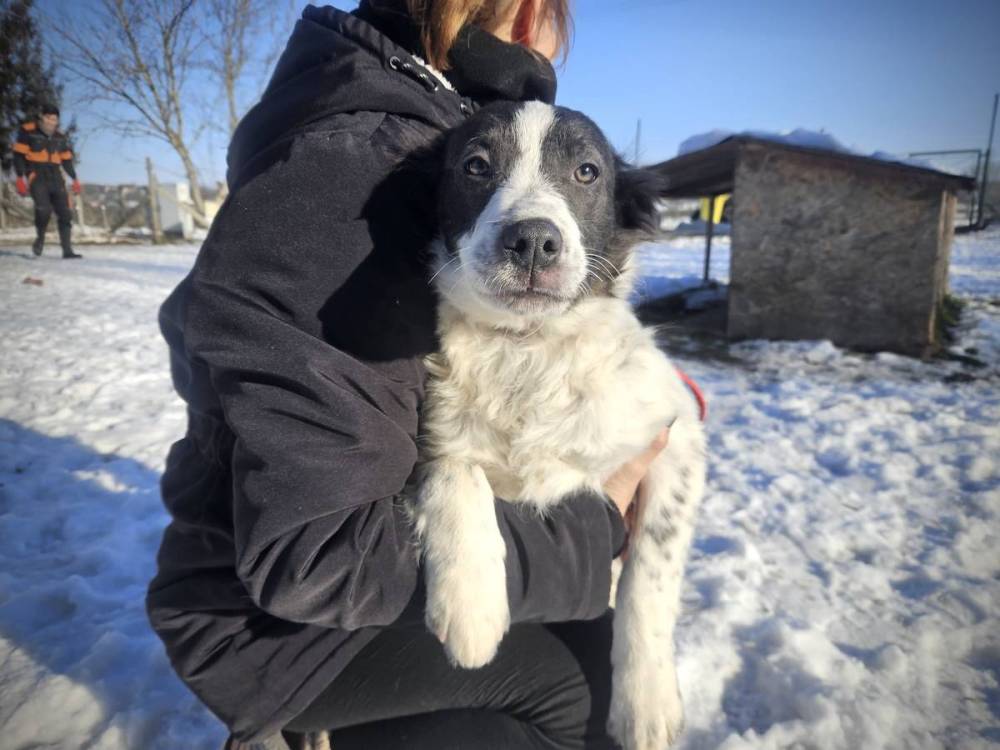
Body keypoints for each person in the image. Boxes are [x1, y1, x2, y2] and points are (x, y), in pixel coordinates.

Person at [148, 2, 669, 749]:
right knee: (587, 692)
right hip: (269, 630)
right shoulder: (354, 168)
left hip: (321, 577)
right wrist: (591, 532)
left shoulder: (407, 121)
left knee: (585, 627)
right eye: (480, 169)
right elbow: (315, 556)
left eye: (583, 173)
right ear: (529, 18)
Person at [12, 103, 82, 259]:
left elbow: (66, 160)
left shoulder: (60, 136)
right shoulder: (28, 131)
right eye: (48, 118)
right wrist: (20, 177)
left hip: (56, 176)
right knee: (43, 209)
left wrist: (75, 179)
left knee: (65, 213)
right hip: (37, 174)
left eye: (54, 119)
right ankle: (40, 237)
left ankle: (67, 250)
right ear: (41, 117)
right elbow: (18, 155)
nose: (51, 121)